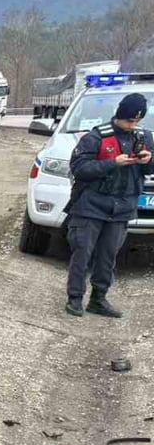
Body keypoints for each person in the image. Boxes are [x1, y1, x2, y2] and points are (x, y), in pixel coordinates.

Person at [63, 92, 153, 318]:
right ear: (119, 115)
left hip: (122, 207)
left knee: (108, 256)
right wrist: (112, 163)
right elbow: (80, 169)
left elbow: (150, 170)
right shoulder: (96, 137)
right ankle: (75, 299)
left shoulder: (144, 137)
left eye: (137, 121)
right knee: (82, 253)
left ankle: (98, 299)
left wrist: (148, 161)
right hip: (91, 205)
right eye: (129, 120)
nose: (133, 125)